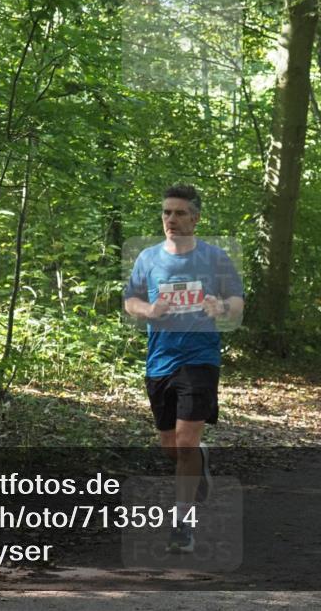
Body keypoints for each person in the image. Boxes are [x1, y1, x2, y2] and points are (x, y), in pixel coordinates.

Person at [124, 184, 244, 554]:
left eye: (178, 213)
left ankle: (182, 523)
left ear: (195, 218)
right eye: (166, 213)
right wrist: (148, 311)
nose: (171, 220)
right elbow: (130, 300)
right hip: (160, 360)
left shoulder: (215, 258)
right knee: (171, 446)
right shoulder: (147, 258)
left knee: (187, 441)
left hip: (199, 359)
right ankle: (200, 461)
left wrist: (220, 308)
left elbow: (237, 302)